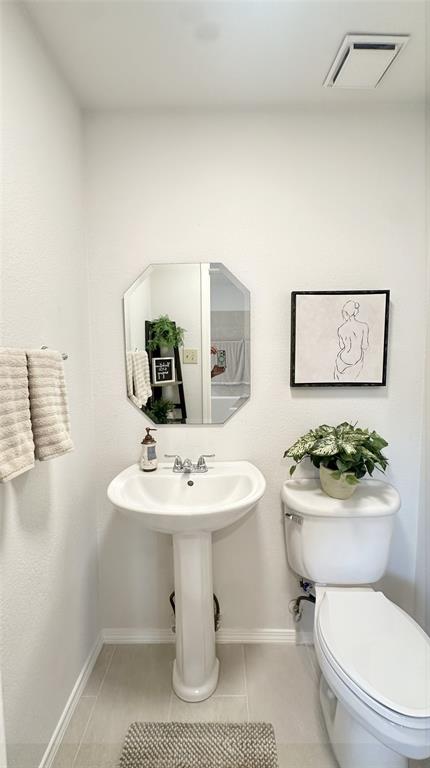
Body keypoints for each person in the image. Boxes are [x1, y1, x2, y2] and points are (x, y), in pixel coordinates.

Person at [334, 300, 369, 382]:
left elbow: (342, 346)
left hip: (342, 360)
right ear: (355, 311)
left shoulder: (341, 329)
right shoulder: (364, 326)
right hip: (357, 361)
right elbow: (365, 346)